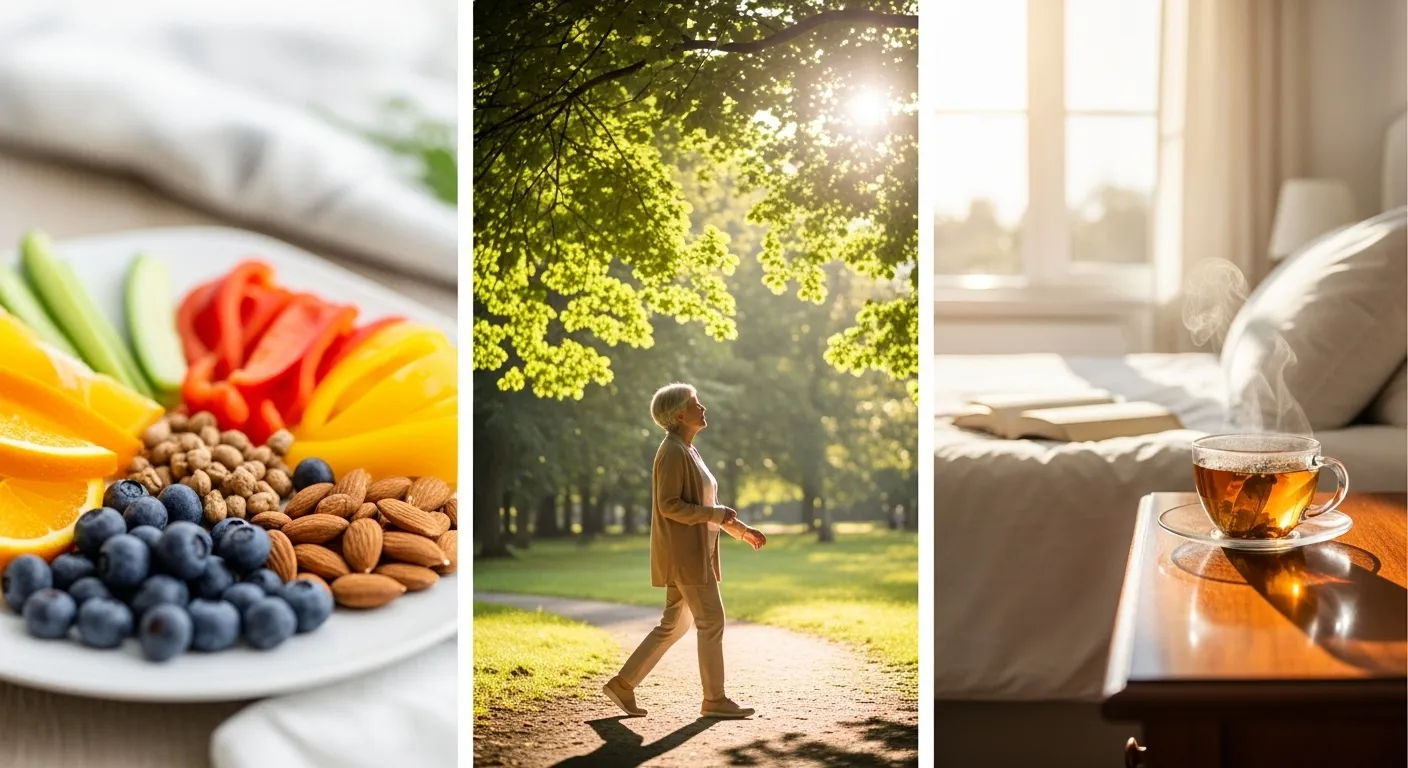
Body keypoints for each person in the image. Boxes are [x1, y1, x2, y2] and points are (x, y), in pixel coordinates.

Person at [601, 382, 767, 719]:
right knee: (711, 621)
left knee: (674, 626)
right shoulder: (672, 451)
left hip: (696, 552)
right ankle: (714, 700)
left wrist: (739, 529)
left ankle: (622, 685)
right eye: (695, 403)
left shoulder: (688, 450)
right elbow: (669, 505)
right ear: (679, 414)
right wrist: (716, 515)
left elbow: (708, 505)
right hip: (685, 555)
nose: (702, 408)